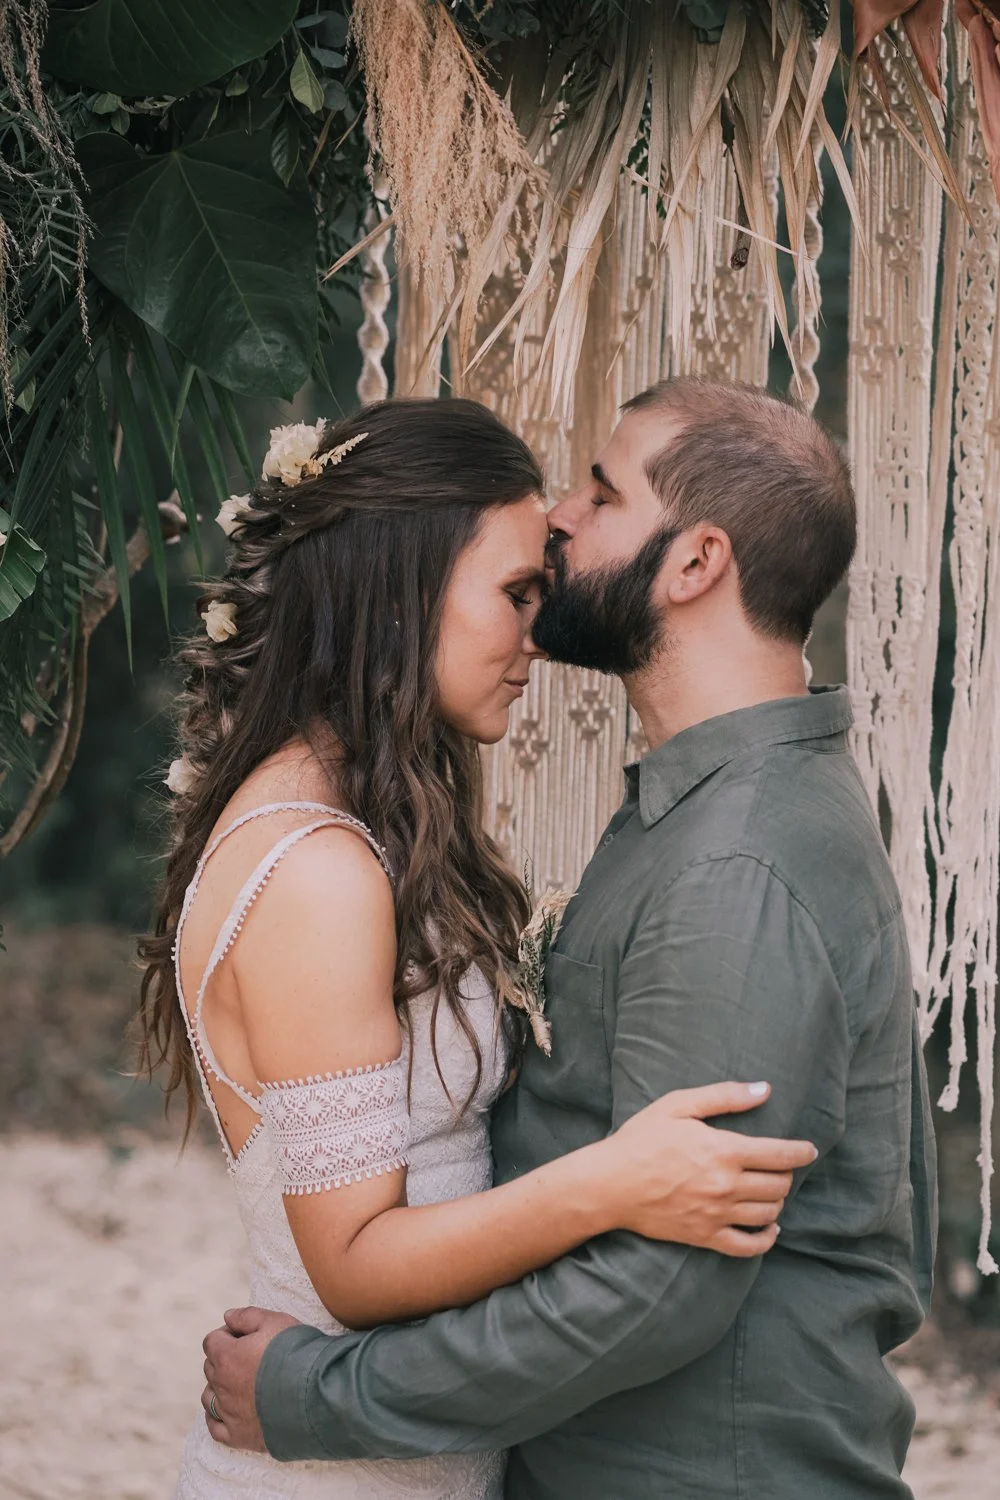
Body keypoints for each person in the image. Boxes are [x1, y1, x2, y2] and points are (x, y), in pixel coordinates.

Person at [202, 379, 938, 1499]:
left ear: (693, 564)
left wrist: (321, 1396)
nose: (560, 518)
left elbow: (661, 1285)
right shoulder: (691, 817)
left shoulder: (734, 860)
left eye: (601, 493)